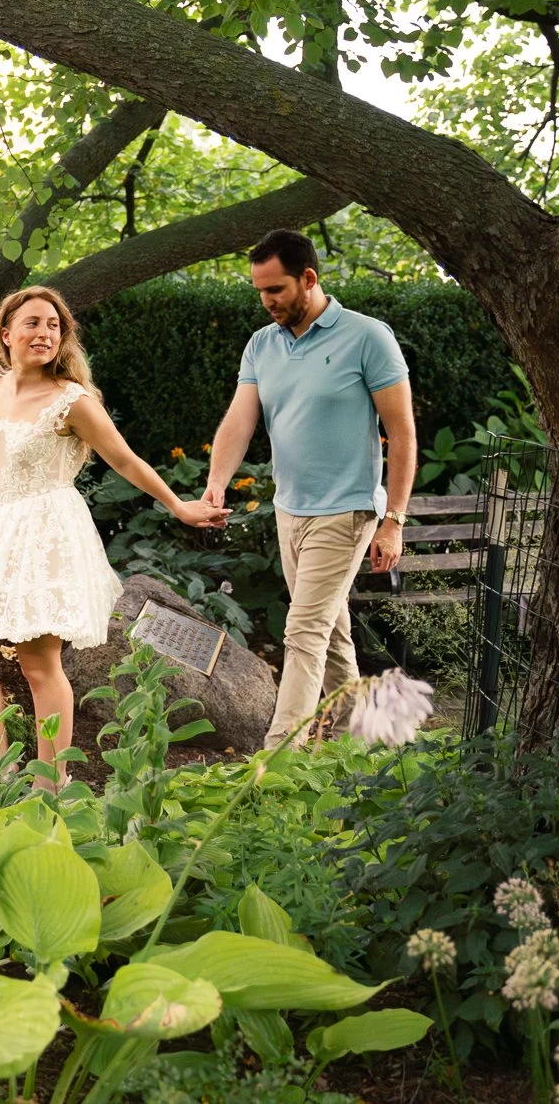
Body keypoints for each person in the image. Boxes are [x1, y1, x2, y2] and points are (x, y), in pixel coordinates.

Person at [0, 286, 226, 785]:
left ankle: (51, 783)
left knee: (38, 662)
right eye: (32, 323)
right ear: (6, 335)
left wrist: (179, 506)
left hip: (46, 529)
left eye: (53, 325)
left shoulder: (72, 401)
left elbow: (124, 459)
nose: (44, 332)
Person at [201, 229, 418, 748]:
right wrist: (215, 485)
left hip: (346, 512)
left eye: (275, 289)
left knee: (302, 634)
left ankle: (279, 759)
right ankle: (366, 742)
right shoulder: (262, 344)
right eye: (259, 290)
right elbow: (239, 420)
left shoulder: (367, 337)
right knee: (332, 631)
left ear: (309, 279)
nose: (267, 301)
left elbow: (403, 432)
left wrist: (395, 521)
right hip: (288, 510)